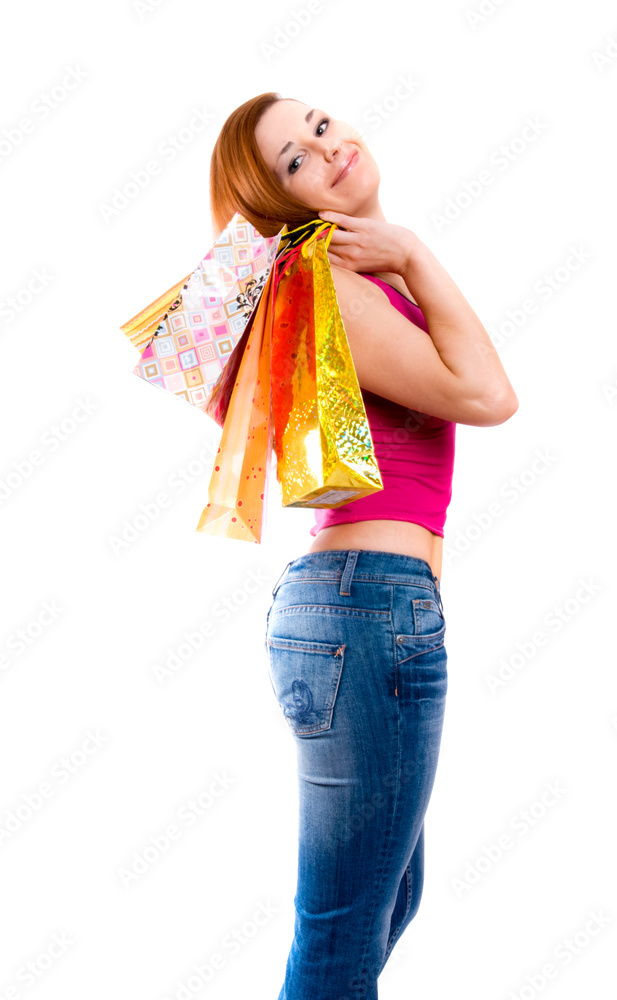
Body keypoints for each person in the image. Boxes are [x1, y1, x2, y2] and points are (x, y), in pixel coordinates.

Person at [205, 93, 519, 999]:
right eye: (295, 161)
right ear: (283, 205)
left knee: (385, 901)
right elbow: (487, 395)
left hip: (362, 607)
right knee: (341, 939)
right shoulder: (335, 286)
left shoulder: (352, 283)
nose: (324, 145)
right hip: (366, 608)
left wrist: (405, 259)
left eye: (319, 123)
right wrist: (416, 253)